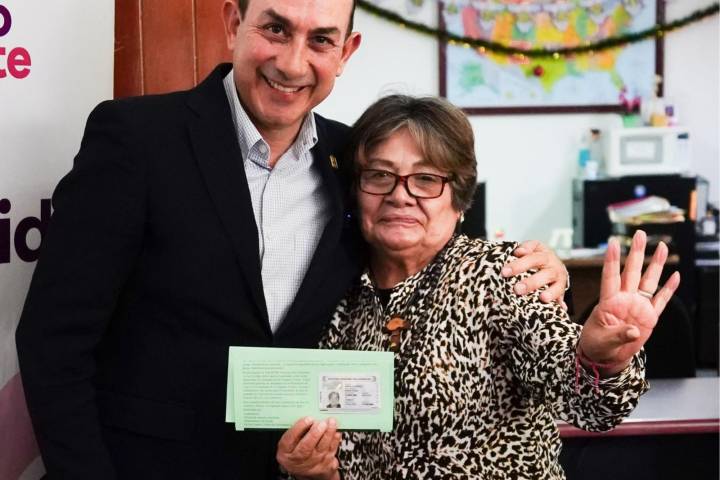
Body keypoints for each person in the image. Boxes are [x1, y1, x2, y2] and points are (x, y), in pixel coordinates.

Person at [16, 2, 567, 479]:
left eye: (321, 40)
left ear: (346, 52)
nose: (292, 62)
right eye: (275, 29)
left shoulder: (354, 162)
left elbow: (422, 241)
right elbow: (53, 340)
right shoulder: (136, 138)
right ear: (233, 22)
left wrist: (539, 265)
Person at [276, 95, 681, 479]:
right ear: (355, 190)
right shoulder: (334, 293)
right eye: (380, 175)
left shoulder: (504, 276)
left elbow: (590, 408)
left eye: (426, 179)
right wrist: (316, 472)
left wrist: (600, 360)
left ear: (459, 200)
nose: (400, 195)